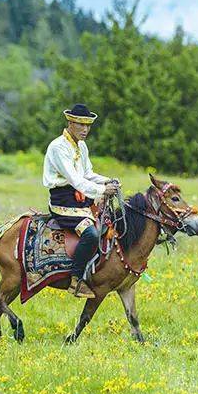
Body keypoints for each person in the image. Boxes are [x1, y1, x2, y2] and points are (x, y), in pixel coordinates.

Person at [42, 104, 120, 298]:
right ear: (70, 123)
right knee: (92, 234)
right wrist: (103, 190)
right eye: (80, 125)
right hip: (64, 203)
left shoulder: (81, 146)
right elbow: (75, 180)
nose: (85, 130)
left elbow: (87, 173)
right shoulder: (58, 146)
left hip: (81, 200)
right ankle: (75, 279)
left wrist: (107, 180)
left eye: (88, 126)